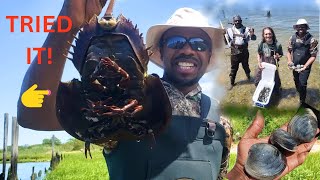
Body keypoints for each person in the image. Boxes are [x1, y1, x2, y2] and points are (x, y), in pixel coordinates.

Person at [17, 1, 319, 179]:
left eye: (199, 44)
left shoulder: (221, 121)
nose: (188, 50)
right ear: (158, 51)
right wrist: (67, 25)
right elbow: (32, 114)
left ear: (208, 55)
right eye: (176, 42)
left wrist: (242, 172)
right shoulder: (123, 99)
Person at [287, 18, 318, 104]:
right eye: (299, 27)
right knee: (296, 81)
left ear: (306, 28)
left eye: (303, 26)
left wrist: (305, 66)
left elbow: (313, 56)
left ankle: (302, 101)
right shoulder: (292, 38)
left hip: (305, 66)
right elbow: (289, 51)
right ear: (296, 27)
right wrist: (289, 61)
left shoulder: (312, 40)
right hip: (295, 64)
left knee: (303, 84)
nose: (301, 28)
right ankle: (299, 92)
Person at [226, 15, 256, 90]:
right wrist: (223, 36)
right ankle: (231, 83)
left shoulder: (246, 29)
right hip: (234, 53)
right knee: (233, 68)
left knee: (246, 66)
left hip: (244, 52)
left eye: (239, 20)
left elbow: (254, 39)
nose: (237, 22)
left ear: (241, 21)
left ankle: (249, 77)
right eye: (236, 21)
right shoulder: (229, 30)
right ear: (233, 22)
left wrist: (252, 34)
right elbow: (226, 43)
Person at [254, 27, 283, 96]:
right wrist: (259, 63)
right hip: (263, 64)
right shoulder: (261, 44)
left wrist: (277, 56)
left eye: (269, 34)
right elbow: (258, 54)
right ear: (263, 35)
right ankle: (262, 91)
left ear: (272, 34)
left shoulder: (277, 44)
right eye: (266, 34)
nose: (268, 36)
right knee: (258, 79)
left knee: (275, 80)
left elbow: (281, 54)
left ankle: (276, 92)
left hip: (273, 65)